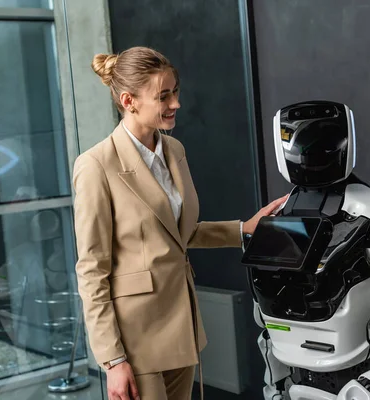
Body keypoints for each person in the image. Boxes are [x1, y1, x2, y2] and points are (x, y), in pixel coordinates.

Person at [72, 46, 287, 400]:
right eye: (163, 96)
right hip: (135, 339)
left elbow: (178, 233)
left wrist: (242, 229)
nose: (176, 104)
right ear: (129, 100)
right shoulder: (96, 166)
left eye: (176, 91)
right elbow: (92, 270)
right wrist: (113, 359)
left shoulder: (174, 151)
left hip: (180, 325)